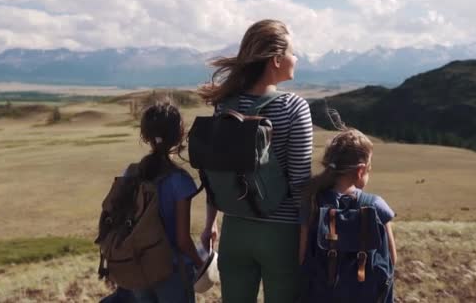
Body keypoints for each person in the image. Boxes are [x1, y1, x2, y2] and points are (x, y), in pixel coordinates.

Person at [198, 19, 314, 303]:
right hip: (281, 234)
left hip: (234, 231)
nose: (295, 58)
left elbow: (217, 169)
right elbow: (301, 184)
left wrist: (210, 223)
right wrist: (306, 239)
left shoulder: (225, 105)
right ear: (276, 60)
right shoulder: (293, 106)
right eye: (292, 52)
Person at [299, 128, 397, 303]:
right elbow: (391, 258)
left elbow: (303, 256)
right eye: (370, 167)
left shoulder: (313, 201)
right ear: (360, 171)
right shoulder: (376, 205)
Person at [132, 102, 204, 303]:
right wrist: (201, 265)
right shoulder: (180, 181)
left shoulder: (130, 174)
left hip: (137, 269)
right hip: (171, 270)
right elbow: (182, 240)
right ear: (180, 134)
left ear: (145, 136)